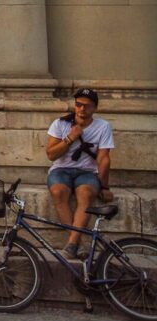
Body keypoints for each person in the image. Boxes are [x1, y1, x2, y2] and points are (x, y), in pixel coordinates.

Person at [46, 88, 114, 260]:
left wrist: (105, 186)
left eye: (87, 106)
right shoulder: (60, 124)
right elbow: (51, 154)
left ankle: (72, 243)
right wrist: (70, 138)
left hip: (87, 172)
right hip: (61, 170)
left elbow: (104, 159)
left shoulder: (103, 126)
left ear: (95, 108)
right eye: (79, 105)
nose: (82, 109)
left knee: (85, 193)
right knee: (58, 192)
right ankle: (78, 241)